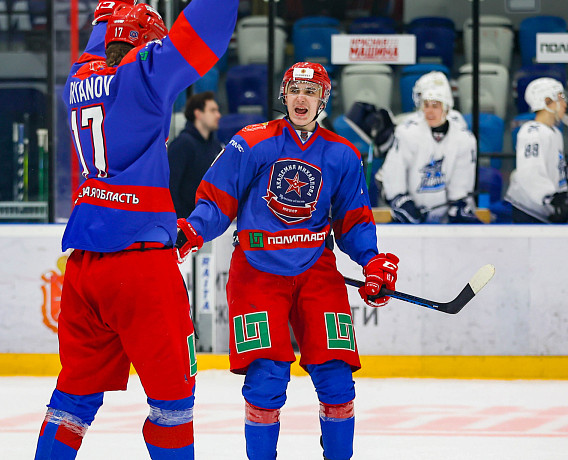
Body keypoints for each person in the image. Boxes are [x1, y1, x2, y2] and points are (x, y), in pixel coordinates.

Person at [33, 1, 238, 459]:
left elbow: (101, 42)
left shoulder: (77, 80)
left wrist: (113, 15)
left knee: (72, 400)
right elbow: (202, 34)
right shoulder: (143, 75)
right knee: (173, 404)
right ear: (145, 43)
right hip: (141, 268)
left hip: (84, 268)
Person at [175, 62, 400, 460]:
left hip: (316, 270)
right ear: (284, 95)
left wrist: (372, 263)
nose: (301, 97)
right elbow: (217, 200)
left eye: (310, 91)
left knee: (336, 377)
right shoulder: (251, 142)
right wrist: (193, 229)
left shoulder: (343, 154)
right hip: (256, 271)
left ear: (323, 100)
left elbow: (354, 220)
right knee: (266, 377)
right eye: (295, 89)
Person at [376, 74, 481, 224]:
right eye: (426, 105)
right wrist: (401, 201)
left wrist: (458, 204)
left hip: (444, 221)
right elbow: (394, 172)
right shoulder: (407, 132)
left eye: (435, 106)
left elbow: (461, 183)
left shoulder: (463, 138)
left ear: (446, 108)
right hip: (410, 219)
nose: (430, 111)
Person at [505, 77, 568, 223]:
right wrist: (551, 199)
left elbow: (556, 169)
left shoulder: (555, 133)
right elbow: (530, 172)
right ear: (547, 102)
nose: (564, 104)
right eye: (560, 98)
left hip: (546, 209)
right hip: (529, 210)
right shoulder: (532, 132)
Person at [168, 91, 223, 218]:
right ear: (198, 113)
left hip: (208, 220)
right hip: (185, 221)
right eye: (212, 110)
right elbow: (171, 188)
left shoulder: (215, 145)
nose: (218, 115)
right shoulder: (182, 144)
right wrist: (181, 221)